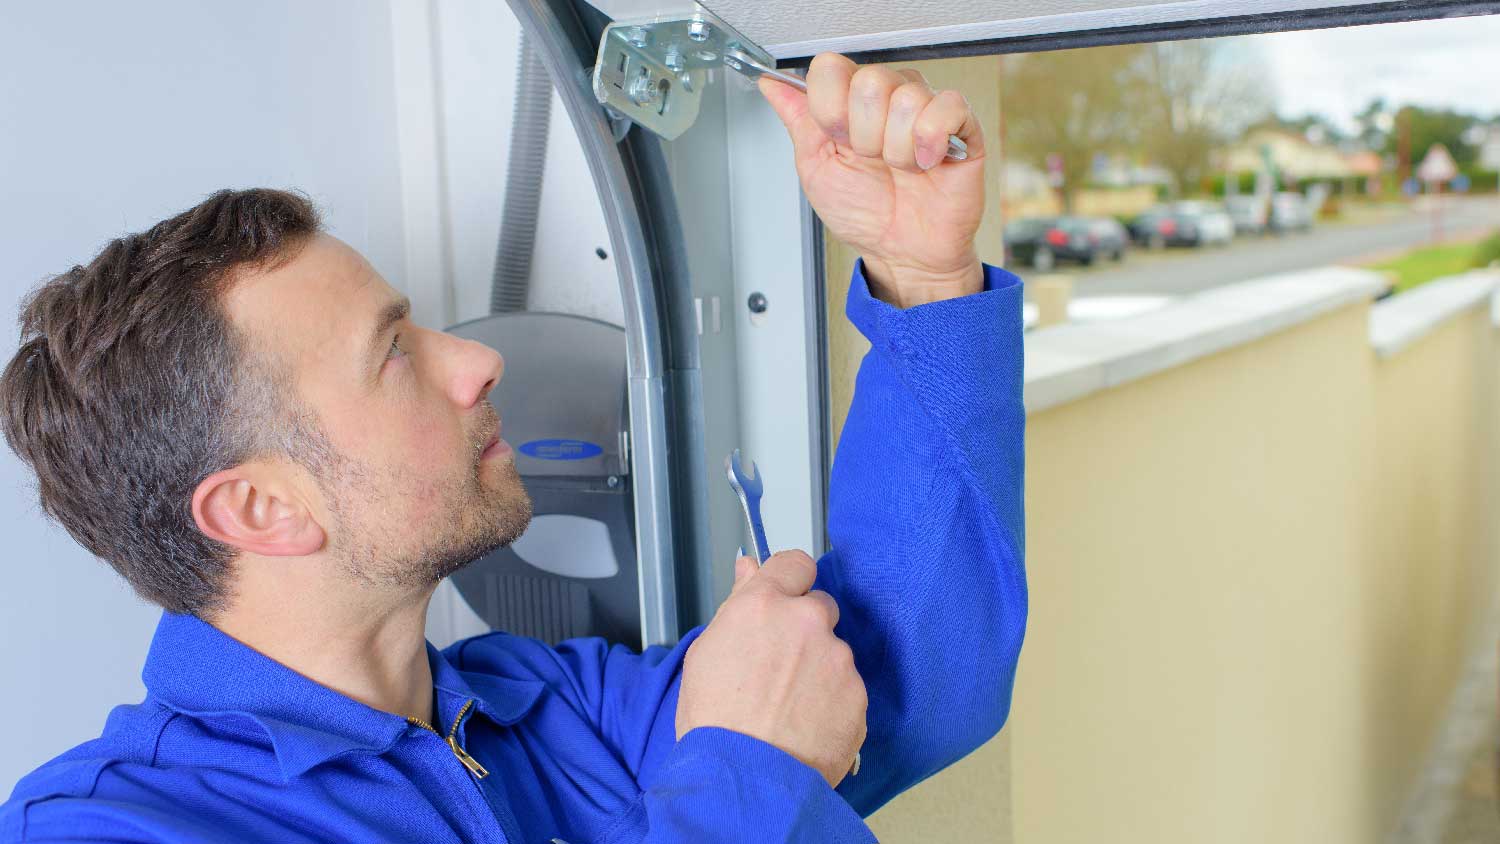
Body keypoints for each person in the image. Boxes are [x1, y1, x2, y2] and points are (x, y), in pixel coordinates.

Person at [0, 53, 1026, 843]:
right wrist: (747, 768)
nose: (475, 363)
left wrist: (917, 272)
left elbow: (909, 676)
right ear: (260, 507)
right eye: (392, 353)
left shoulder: (546, 710)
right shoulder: (110, 825)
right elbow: (762, 753)